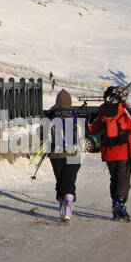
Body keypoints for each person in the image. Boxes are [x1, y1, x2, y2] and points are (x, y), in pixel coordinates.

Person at [86, 85, 131, 222]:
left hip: (108, 151)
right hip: (123, 151)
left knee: (114, 178)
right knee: (124, 178)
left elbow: (92, 128)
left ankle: (115, 205)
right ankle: (119, 203)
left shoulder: (102, 110)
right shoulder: (122, 109)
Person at [45, 89, 83, 223]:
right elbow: (81, 135)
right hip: (73, 153)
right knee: (70, 180)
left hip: (56, 154)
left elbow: (43, 133)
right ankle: (69, 199)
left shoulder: (52, 115)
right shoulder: (75, 116)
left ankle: (62, 201)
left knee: (60, 180)